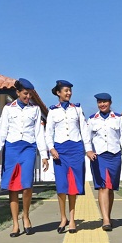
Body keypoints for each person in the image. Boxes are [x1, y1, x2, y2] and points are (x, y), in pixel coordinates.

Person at [0, 78, 49, 238]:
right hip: (11, 148)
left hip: (28, 148)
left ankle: (26, 216)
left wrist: (43, 154)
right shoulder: (8, 109)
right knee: (12, 186)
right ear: (18, 93)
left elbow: (39, 132)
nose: (28, 97)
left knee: (26, 185)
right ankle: (15, 223)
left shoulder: (35, 110)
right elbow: (2, 129)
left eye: (30, 94)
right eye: (25, 94)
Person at [45, 80, 93, 234]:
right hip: (59, 150)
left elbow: (84, 130)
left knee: (73, 185)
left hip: (75, 149)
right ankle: (63, 217)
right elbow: (48, 132)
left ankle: (72, 219)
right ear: (58, 93)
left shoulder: (77, 109)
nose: (69, 93)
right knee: (61, 186)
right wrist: (51, 148)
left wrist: (88, 149)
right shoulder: (52, 111)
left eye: (70, 90)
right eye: (66, 90)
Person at [87, 92, 122, 231]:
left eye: (105, 102)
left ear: (110, 102)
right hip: (99, 157)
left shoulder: (118, 118)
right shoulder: (92, 119)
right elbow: (87, 138)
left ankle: (108, 215)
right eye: (100, 102)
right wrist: (89, 151)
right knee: (103, 187)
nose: (102, 104)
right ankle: (105, 219)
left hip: (114, 156)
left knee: (111, 187)